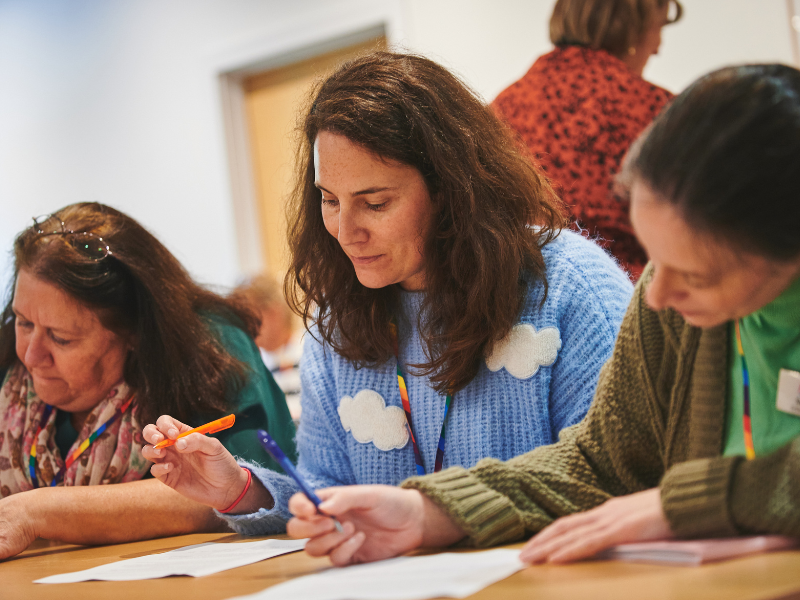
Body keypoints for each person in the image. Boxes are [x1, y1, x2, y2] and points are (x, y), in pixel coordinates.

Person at [282, 63, 800, 566]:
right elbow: (600, 461)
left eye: (696, 273)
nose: (657, 295)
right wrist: (431, 511)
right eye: (657, 259)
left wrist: (687, 502)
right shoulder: (667, 308)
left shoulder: (568, 281)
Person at [142, 51, 634, 534]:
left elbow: (610, 473)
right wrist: (243, 489)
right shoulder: (336, 327)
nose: (345, 230)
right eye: (329, 201)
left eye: (374, 203)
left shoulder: (572, 284)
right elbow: (328, 495)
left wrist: (438, 518)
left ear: (450, 190)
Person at [0, 202, 296, 559]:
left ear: (133, 332)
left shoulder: (210, 346)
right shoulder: (10, 366)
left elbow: (225, 494)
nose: (31, 356)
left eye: (61, 338)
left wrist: (35, 511)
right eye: (23, 323)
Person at [493, 0, 682, 278]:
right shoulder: (655, 110)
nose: (657, 47)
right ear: (631, 29)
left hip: (523, 301)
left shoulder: (502, 109)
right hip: (626, 301)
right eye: (658, 28)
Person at [230, 274, 304, 422]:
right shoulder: (248, 367)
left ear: (274, 312)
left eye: (247, 317)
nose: (242, 327)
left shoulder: (312, 350)